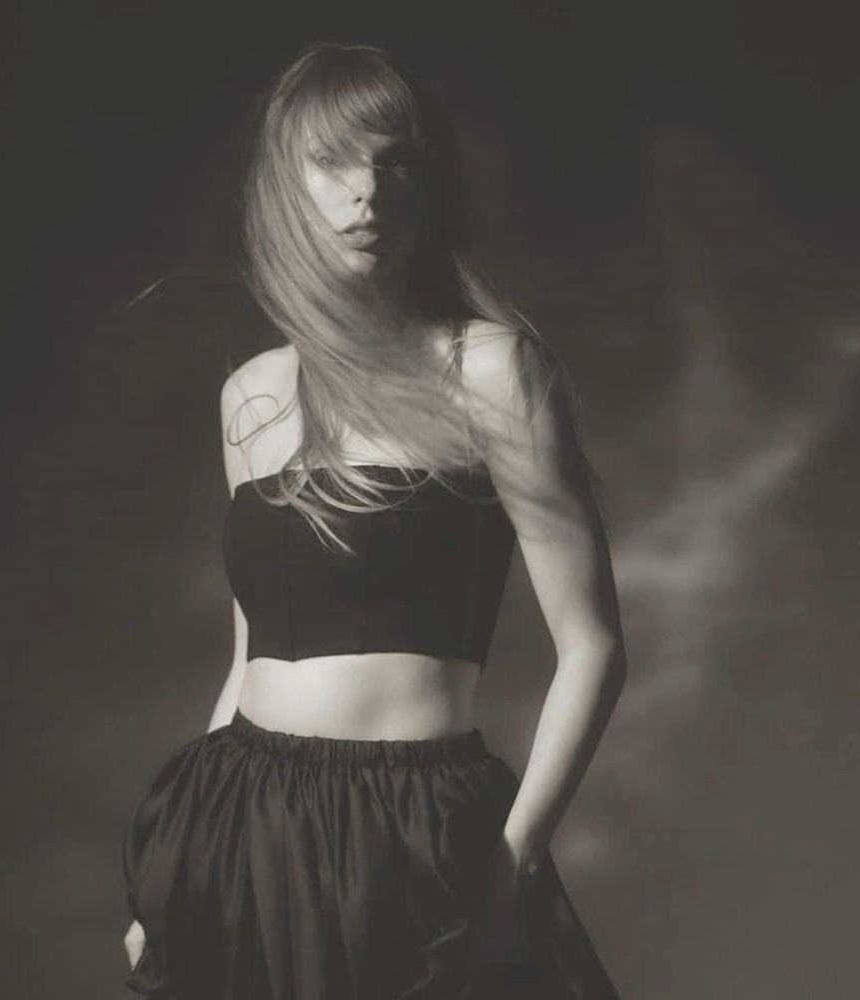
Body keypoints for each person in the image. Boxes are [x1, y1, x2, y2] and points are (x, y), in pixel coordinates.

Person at [121, 42, 627, 999]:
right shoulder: (251, 397)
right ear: (284, 186)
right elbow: (250, 655)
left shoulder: (493, 372)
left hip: (419, 829)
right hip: (238, 821)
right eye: (334, 162)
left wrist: (512, 860)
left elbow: (594, 646)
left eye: (395, 162)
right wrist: (171, 877)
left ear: (427, 185)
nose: (367, 192)